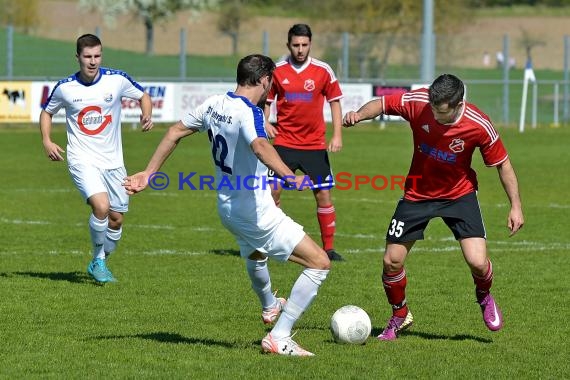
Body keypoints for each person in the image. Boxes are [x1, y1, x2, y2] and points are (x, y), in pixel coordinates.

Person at [123, 54, 330, 356]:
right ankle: (279, 336)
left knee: (256, 254)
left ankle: (270, 308)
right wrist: (289, 177)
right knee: (319, 263)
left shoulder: (213, 104)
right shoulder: (251, 112)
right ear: (263, 80)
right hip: (255, 211)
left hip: (228, 209)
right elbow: (260, 146)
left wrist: (148, 173)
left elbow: (174, 131)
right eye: (271, 81)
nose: (272, 87)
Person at [342, 73, 524, 340]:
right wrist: (359, 114)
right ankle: (400, 314)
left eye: (443, 114)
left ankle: (483, 296)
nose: (436, 117)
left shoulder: (479, 124)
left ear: (460, 104)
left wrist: (515, 205)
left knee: (478, 262)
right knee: (391, 261)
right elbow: (381, 104)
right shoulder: (419, 102)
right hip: (417, 193)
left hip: (459, 195)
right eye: (434, 111)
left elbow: (503, 164)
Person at [40, 33, 153, 284]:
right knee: (101, 207)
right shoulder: (66, 88)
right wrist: (47, 140)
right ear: (78, 57)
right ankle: (98, 260)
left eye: (97, 56)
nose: (93, 61)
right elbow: (47, 112)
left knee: (116, 218)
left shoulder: (117, 80)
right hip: (82, 158)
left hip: (113, 161)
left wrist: (146, 114)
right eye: (88, 56)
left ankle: (99, 260)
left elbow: (143, 96)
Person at [264, 23, 345, 261]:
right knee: (273, 193)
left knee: (323, 195)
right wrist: (265, 122)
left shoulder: (323, 70)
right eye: (296, 45)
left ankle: (328, 248)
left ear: (310, 44)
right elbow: (266, 101)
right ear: (288, 45)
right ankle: (271, 243)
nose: (300, 49)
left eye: (304, 45)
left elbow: (335, 102)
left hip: (314, 145)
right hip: (284, 142)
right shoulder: (277, 70)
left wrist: (337, 134)